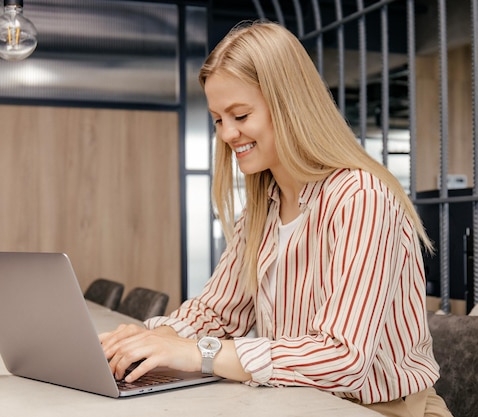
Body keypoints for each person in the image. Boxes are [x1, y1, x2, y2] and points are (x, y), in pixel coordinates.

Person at [100, 20, 452, 417]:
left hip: (381, 409)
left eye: (240, 115)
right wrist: (149, 339)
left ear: (289, 105)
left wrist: (198, 352)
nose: (227, 134)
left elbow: (342, 359)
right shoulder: (261, 210)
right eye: (218, 119)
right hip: (298, 402)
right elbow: (218, 312)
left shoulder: (361, 198)